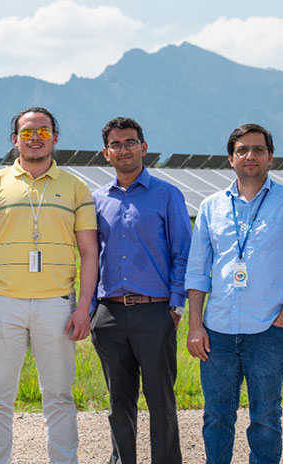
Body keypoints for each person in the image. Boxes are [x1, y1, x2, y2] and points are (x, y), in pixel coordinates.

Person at [185, 123, 283, 463]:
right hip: (217, 332)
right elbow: (198, 272)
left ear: (270, 157)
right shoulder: (211, 207)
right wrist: (195, 326)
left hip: (268, 330)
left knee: (265, 417)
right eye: (242, 150)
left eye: (258, 149)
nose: (250, 156)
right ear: (231, 158)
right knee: (216, 416)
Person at [0, 107, 98, 464]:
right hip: (2, 302)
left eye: (43, 131)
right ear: (15, 140)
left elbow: (89, 253)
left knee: (58, 395)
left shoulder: (76, 187)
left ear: (55, 138)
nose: (35, 138)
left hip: (57, 304)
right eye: (27, 133)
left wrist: (83, 307)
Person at [90, 117, 191, 464]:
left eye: (130, 142)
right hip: (110, 314)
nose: (124, 149)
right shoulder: (96, 200)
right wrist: (92, 311)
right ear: (106, 153)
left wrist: (176, 307)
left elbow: (182, 254)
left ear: (144, 148)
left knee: (161, 401)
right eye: (116, 144)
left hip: (155, 312)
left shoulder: (167, 195)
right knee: (119, 404)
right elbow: (90, 257)